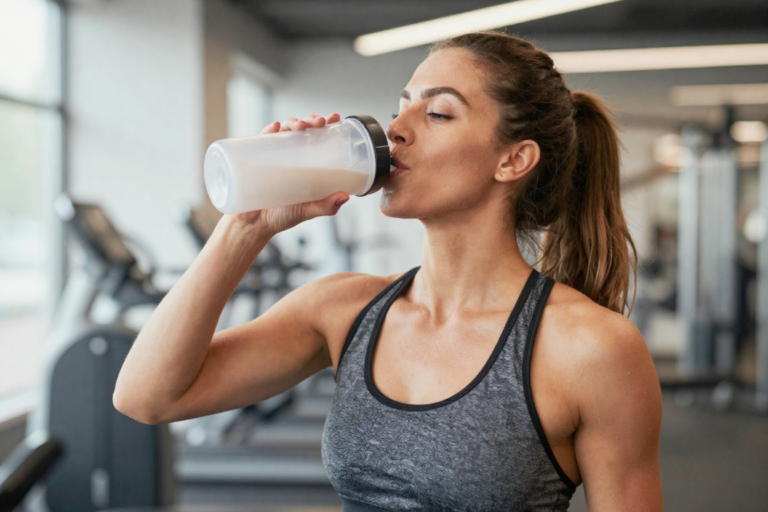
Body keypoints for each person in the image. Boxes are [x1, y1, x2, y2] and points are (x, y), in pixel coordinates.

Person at [114, 31, 662, 511]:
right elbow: (148, 397)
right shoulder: (341, 310)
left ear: (513, 160)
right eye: (400, 106)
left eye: (438, 112)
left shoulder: (590, 347)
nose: (395, 128)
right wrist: (246, 227)